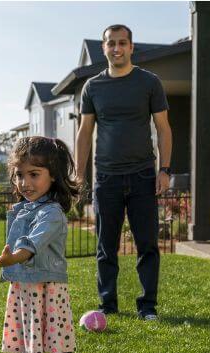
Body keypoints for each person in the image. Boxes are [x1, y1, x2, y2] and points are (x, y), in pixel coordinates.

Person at [0, 136, 95, 353]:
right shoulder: (22, 209)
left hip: (49, 293)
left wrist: (12, 258)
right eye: (20, 174)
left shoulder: (51, 213)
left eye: (34, 174)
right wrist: (12, 262)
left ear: (53, 176)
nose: (25, 182)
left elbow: (32, 245)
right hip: (23, 291)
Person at [75, 24, 173, 321]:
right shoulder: (92, 87)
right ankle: (108, 305)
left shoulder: (149, 82)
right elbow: (84, 132)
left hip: (143, 175)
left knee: (147, 245)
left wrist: (164, 169)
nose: (116, 48)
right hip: (106, 178)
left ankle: (147, 307)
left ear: (131, 47)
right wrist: (80, 176)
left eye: (122, 43)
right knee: (106, 247)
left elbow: (164, 129)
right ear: (103, 48)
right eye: (110, 44)